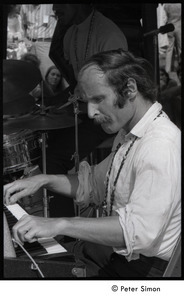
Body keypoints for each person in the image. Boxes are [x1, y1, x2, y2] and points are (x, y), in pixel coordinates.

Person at [4, 49, 181, 278]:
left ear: (129, 89)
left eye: (98, 99)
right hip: (121, 259)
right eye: (88, 101)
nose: (90, 112)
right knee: (33, 269)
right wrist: (43, 180)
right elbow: (94, 184)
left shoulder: (159, 145)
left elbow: (137, 233)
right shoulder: (130, 133)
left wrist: (60, 224)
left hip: (142, 274)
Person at [45, 4, 128, 218]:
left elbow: (114, 93)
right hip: (84, 111)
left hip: (107, 116)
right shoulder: (69, 34)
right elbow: (76, 87)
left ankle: (63, 232)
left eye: (59, 3)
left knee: (54, 156)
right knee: (44, 141)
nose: (55, 8)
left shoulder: (108, 34)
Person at [20, 4, 57, 77]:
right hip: (30, 45)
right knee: (29, 73)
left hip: (46, 44)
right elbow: (23, 25)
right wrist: (25, 39)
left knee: (47, 73)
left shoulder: (51, 5)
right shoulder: (25, 6)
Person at [163, 3, 181, 74]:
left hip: (170, 26)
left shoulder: (167, 5)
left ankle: (167, 69)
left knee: (169, 49)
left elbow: (165, 17)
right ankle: (180, 66)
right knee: (180, 49)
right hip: (179, 27)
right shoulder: (179, 5)